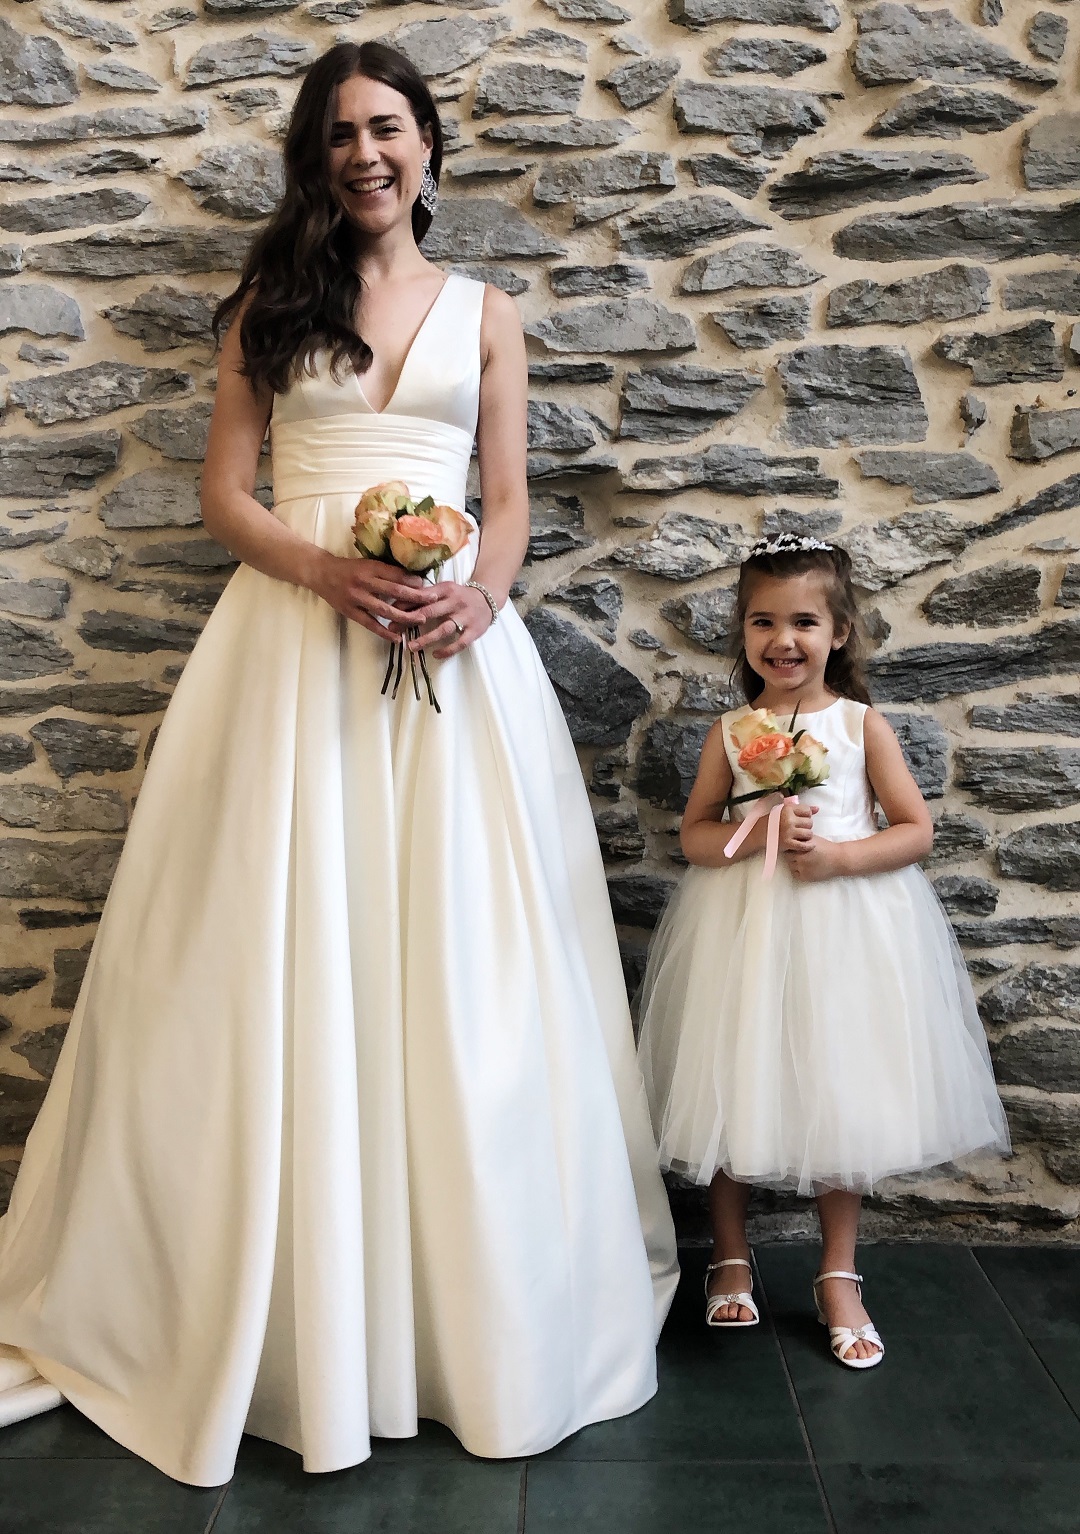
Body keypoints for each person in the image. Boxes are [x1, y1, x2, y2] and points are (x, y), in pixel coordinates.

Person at [0, 40, 678, 1484]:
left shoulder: (488, 314)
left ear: (430, 145)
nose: (365, 154)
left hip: (451, 658)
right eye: (337, 137)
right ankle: (290, 1310)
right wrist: (327, 570)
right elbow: (223, 492)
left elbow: (506, 498)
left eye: (387, 128)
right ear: (314, 162)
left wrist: (476, 596)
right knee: (268, 955)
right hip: (291, 656)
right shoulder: (271, 304)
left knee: (459, 963)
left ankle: (457, 1314)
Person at [636, 532, 1008, 1370]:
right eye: (763, 621)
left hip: (844, 926)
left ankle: (839, 1272)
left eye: (804, 620)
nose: (784, 639)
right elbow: (693, 834)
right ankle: (731, 1255)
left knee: (841, 1091)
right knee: (731, 1080)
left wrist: (838, 855)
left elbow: (915, 830)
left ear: (839, 631)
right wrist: (746, 827)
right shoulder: (733, 731)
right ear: (743, 633)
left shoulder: (859, 725)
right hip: (741, 930)